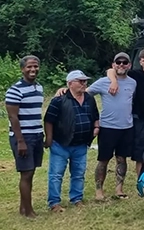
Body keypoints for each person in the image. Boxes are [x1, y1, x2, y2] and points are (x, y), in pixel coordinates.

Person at [44, 70, 100, 212]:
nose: (84, 84)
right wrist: (49, 139)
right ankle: (54, 203)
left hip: (81, 144)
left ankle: (77, 198)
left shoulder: (89, 98)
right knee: (56, 174)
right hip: (60, 144)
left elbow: (95, 115)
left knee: (79, 173)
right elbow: (49, 120)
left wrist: (96, 127)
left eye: (85, 81)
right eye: (80, 81)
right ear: (70, 84)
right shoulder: (59, 100)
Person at [106, 48, 144, 175]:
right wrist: (114, 81)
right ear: (140, 62)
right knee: (140, 153)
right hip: (139, 119)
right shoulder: (134, 75)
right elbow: (111, 70)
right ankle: (140, 180)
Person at [89, 52, 137, 201]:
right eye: (118, 62)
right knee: (103, 159)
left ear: (129, 65)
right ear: (113, 65)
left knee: (122, 159)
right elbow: (85, 94)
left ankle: (119, 189)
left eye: (124, 62)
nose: (121, 65)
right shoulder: (103, 82)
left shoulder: (132, 83)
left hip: (126, 127)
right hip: (107, 127)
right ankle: (99, 191)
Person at [6, 55, 44, 217]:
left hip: (36, 135)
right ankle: (28, 212)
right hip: (23, 137)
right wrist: (20, 141)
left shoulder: (39, 88)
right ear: (22, 69)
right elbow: (13, 117)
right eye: (29, 67)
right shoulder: (15, 90)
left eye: (35, 66)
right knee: (26, 173)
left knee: (31, 171)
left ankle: (23, 208)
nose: (33, 69)